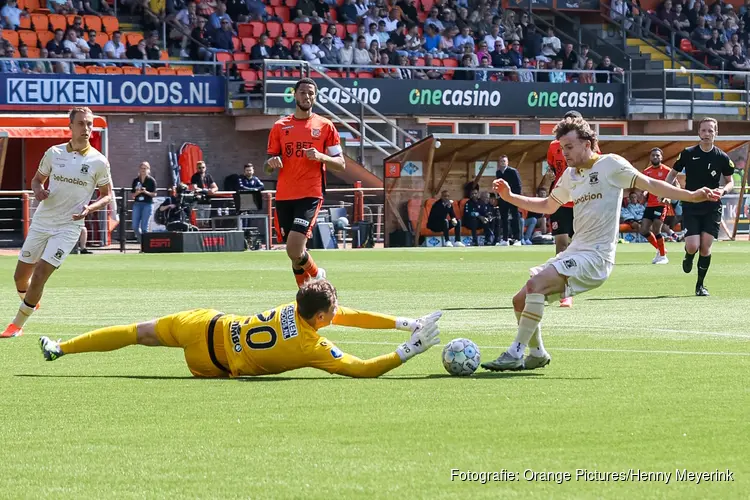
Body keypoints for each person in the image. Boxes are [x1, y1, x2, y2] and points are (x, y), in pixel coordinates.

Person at [481, 115, 718, 371]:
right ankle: (537, 353)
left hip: (596, 257)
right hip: (575, 252)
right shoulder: (570, 175)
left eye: (569, 147)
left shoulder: (610, 165)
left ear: (587, 143)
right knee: (520, 299)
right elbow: (549, 205)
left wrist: (690, 196)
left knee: (535, 284)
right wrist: (510, 196)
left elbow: (650, 183)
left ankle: (515, 353)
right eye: (562, 148)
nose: (564, 153)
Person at [39, 279, 443, 379]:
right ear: (320, 317)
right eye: (332, 312)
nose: (337, 314)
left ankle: (61, 347)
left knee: (133, 332)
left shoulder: (295, 305)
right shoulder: (310, 347)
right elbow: (363, 369)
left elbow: (347, 314)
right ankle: (62, 348)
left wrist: (405, 322)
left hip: (204, 323)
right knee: (135, 334)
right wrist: (411, 347)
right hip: (211, 362)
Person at [1, 107, 112, 338]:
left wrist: (90, 208)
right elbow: (36, 180)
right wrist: (39, 190)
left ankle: (17, 325)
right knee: (20, 278)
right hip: (42, 221)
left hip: (69, 226)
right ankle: (31, 299)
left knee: (40, 274)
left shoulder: (99, 161)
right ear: (70, 127)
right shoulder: (53, 152)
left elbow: (107, 195)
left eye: (89, 124)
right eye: (81, 123)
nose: (86, 128)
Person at [266, 78, 345, 287]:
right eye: (303, 92)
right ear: (294, 94)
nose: (307, 96)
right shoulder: (280, 126)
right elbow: (267, 164)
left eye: (311, 93)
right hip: (284, 195)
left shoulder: (325, 126)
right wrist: (271, 163)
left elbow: (341, 163)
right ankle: (304, 293)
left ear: (315, 97)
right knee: (296, 254)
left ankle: (318, 274)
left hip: (310, 193)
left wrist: (321, 157)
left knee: (293, 248)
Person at [665, 117, 735, 296]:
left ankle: (700, 285)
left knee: (705, 247)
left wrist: (723, 191)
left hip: (712, 207)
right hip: (691, 204)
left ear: (716, 133)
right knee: (692, 246)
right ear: (698, 132)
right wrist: (666, 192)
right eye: (703, 130)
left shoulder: (722, 157)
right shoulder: (688, 153)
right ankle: (688, 256)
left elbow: (730, 182)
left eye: (710, 130)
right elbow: (672, 174)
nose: (707, 134)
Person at [543, 110, 600, 308]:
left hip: (581, 200)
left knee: (578, 245)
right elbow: (552, 167)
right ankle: (563, 292)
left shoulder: (590, 146)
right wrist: (549, 176)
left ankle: (571, 284)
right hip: (559, 199)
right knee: (561, 243)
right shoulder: (553, 146)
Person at [640, 148, 674, 264]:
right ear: (650, 157)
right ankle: (661, 250)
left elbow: (677, 186)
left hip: (661, 204)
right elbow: (644, 187)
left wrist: (669, 197)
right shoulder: (646, 172)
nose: (655, 157)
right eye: (653, 155)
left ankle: (663, 256)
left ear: (661, 157)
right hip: (650, 205)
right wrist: (644, 192)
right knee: (643, 230)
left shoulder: (667, 171)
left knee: (656, 229)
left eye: (657, 155)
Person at [494, 154, 522, 246]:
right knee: (504, 218)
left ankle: (518, 239)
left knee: (515, 217)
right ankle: (505, 239)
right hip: (503, 199)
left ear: (507, 162)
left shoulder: (513, 171)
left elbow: (518, 185)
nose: (502, 163)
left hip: (512, 198)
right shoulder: (498, 172)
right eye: (501, 161)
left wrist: (515, 197)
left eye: (504, 161)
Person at [131, 161, 158, 244]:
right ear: (139, 169)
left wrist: (145, 192)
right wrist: (138, 192)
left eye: (145, 168)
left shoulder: (151, 180)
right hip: (137, 204)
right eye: (142, 168)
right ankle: (143, 242)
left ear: (148, 170)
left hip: (147, 204)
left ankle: (145, 246)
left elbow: (154, 194)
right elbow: (132, 195)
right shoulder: (135, 180)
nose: (143, 170)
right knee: (135, 226)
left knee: (144, 227)